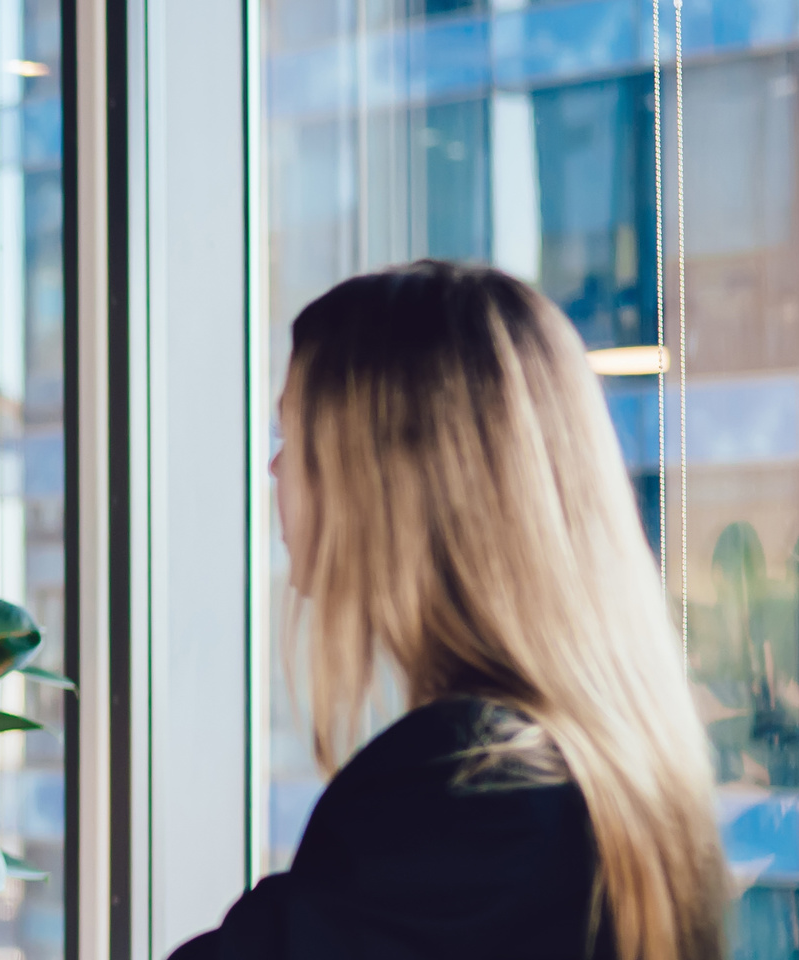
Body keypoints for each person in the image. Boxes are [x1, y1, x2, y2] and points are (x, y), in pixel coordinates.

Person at [170, 261, 729, 960]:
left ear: (389, 477)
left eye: (298, 435)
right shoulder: (585, 758)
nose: (275, 470)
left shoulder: (468, 786)